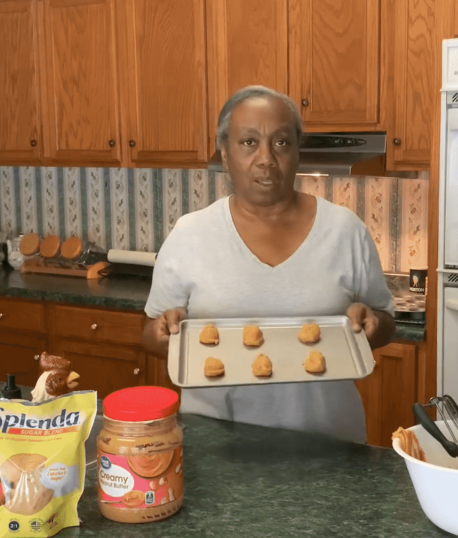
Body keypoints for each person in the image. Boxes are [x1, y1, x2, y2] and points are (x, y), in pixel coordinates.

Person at [142, 85, 396, 443]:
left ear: (296, 153)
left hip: (329, 446)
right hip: (217, 447)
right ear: (225, 155)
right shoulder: (190, 234)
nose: (266, 159)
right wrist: (162, 332)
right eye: (249, 143)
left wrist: (372, 324)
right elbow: (152, 335)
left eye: (281, 143)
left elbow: (385, 323)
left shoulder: (344, 230)